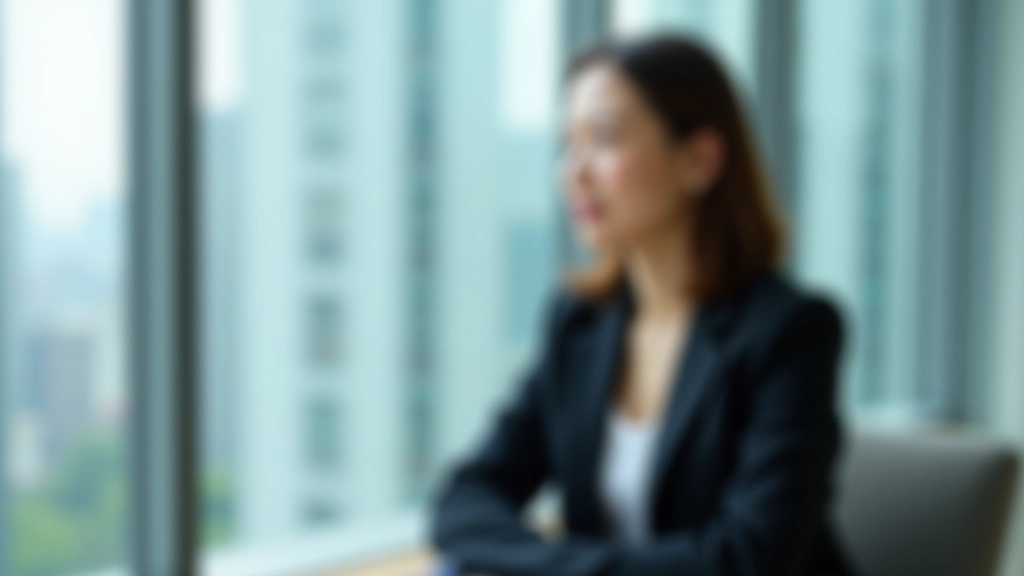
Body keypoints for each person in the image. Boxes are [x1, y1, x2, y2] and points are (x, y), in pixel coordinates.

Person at [428, 31, 857, 576]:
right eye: (568, 144)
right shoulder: (579, 323)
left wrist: (561, 570)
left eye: (604, 140)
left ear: (699, 160)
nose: (574, 173)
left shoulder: (790, 331)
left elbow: (750, 557)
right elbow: (464, 502)